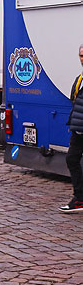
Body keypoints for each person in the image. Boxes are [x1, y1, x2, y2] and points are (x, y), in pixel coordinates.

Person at [61, 43, 83, 213]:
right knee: (71, 159)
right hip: (78, 129)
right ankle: (80, 198)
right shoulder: (79, 79)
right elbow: (74, 101)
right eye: (81, 55)